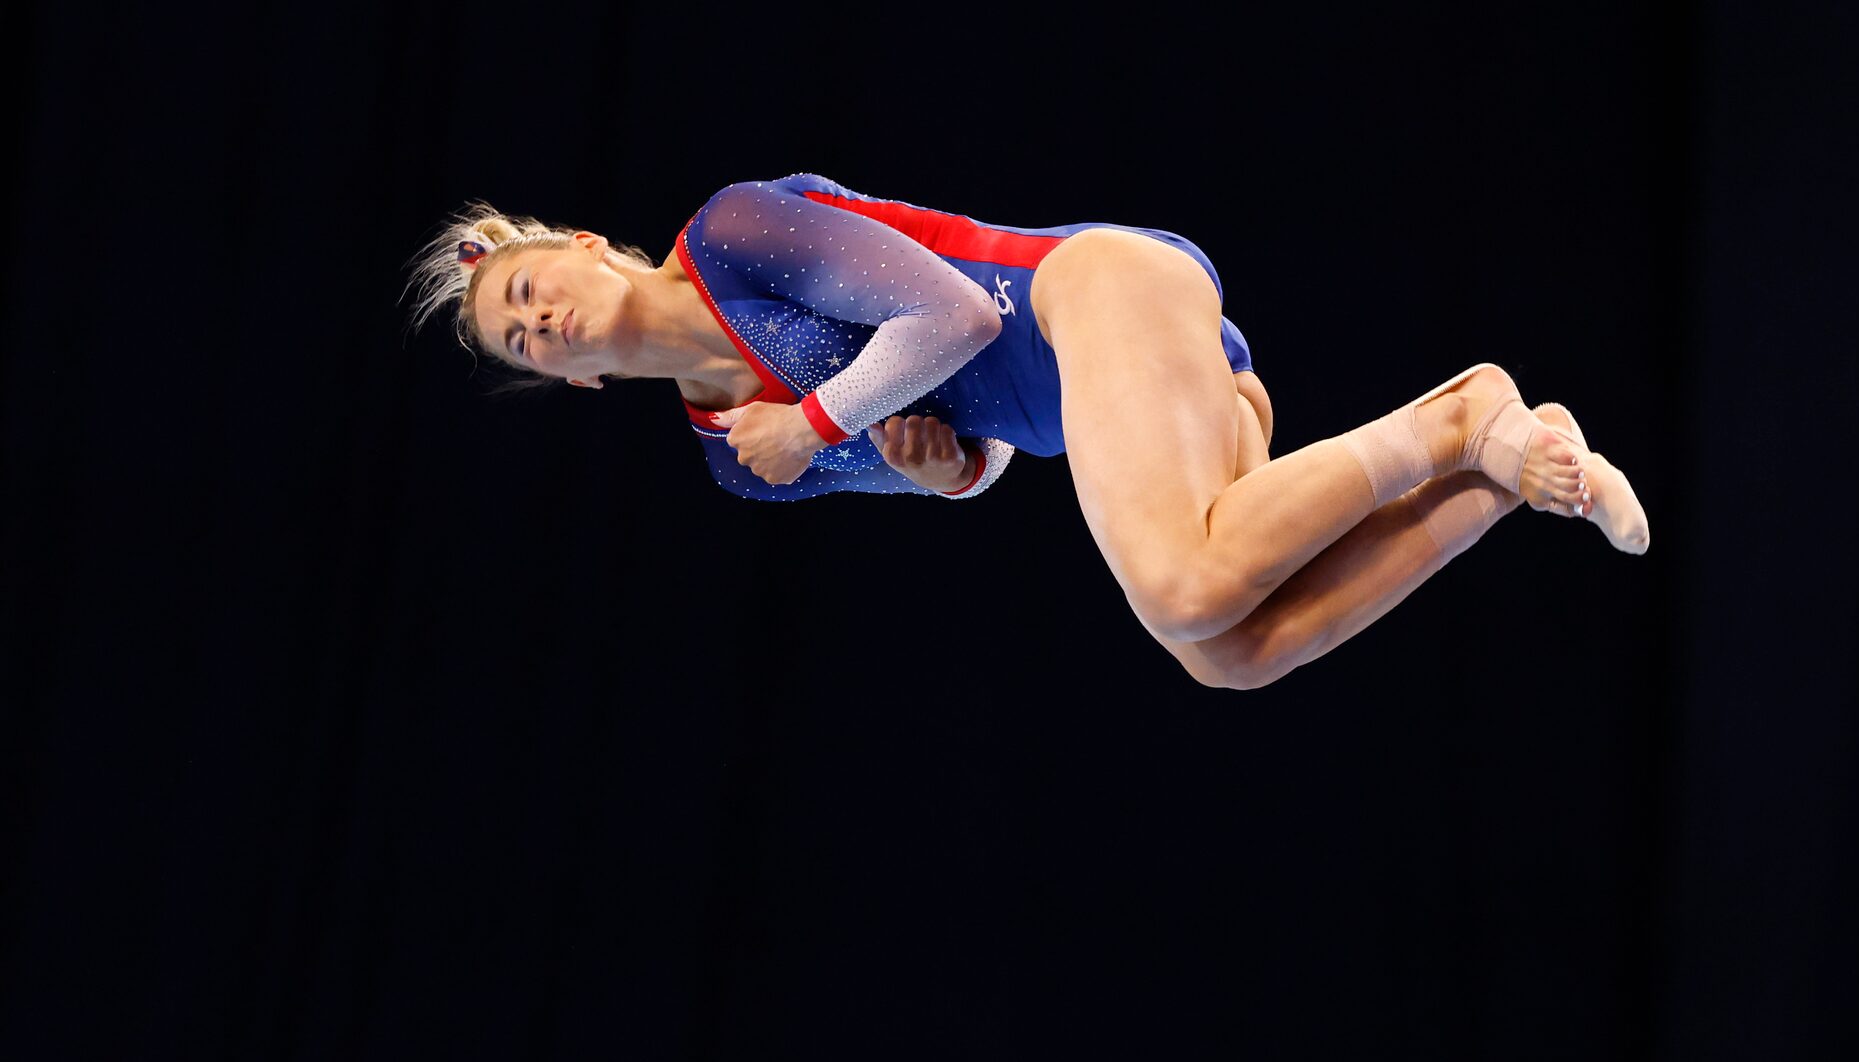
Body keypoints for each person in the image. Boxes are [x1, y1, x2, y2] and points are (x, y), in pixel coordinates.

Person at [410, 176, 1648, 691]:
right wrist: (941, 471)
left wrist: (823, 419)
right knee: (1229, 651)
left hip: (1085, 295)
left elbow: (946, 312)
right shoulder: (738, 459)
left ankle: (1462, 415)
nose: (542, 322)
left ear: (576, 250)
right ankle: (1505, 478)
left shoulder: (731, 235)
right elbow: (968, 456)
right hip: (1102, 393)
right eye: (523, 344)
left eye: (525, 290)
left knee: (1180, 580)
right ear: (563, 383)